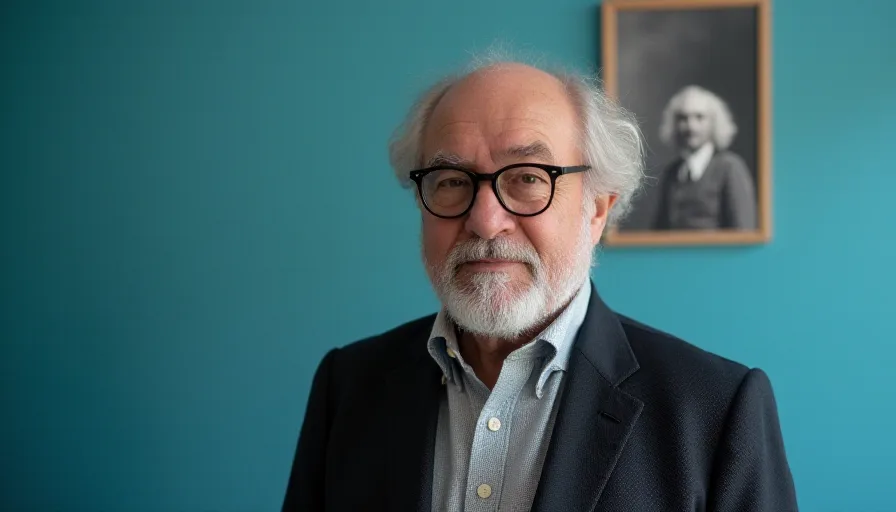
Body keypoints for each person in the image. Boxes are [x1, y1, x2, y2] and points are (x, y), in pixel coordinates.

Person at [282, 59, 797, 511]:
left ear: (596, 209)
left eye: (528, 177)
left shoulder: (716, 409)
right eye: (451, 181)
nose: (485, 220)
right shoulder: (347, 388)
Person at [652, 85, 757, 231]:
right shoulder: (672, 172)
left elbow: (744, 231)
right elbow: (658, 233)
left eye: (699, 117)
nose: (691, 126)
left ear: (714, 122)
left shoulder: (730, 167)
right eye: (683, 118)